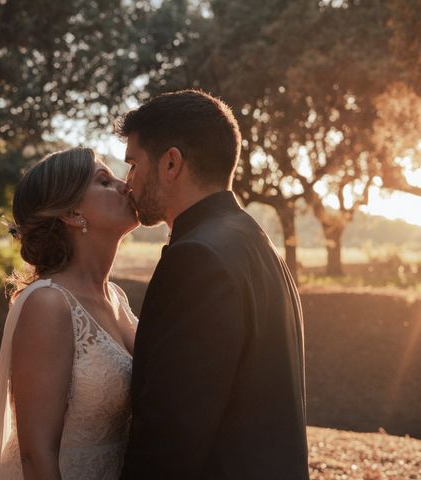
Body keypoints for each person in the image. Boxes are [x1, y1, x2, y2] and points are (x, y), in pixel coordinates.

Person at [116, 90, 310, 479]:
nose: (128, 182)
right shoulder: (256, 242)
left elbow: (171, 434)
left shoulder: (196, 259)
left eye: (133, 164)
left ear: (171, 163)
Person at [0, 147, 140, 480]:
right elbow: (35, 454)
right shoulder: (48, 304)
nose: (124, 185)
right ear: (72, 212)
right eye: (104, 180)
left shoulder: (116, 297)